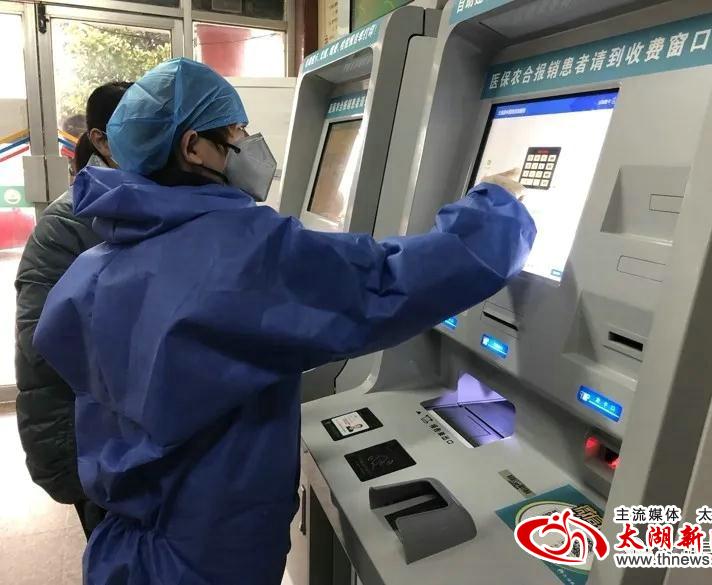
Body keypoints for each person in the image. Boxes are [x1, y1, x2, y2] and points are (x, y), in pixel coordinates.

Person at [33, 59, 537, 585]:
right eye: (236, 130)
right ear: (193, 147)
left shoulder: (99, 262)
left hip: (126, 540)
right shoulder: (239, 252)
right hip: (207, 552)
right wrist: (499, 206)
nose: (248, 143)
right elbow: (390, 283)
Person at [15, 81, 132, 540]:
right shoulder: (69, 222)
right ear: (102, 140)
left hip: (112, 437)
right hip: (86, 441)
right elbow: (43, 344)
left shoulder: (127, 206)